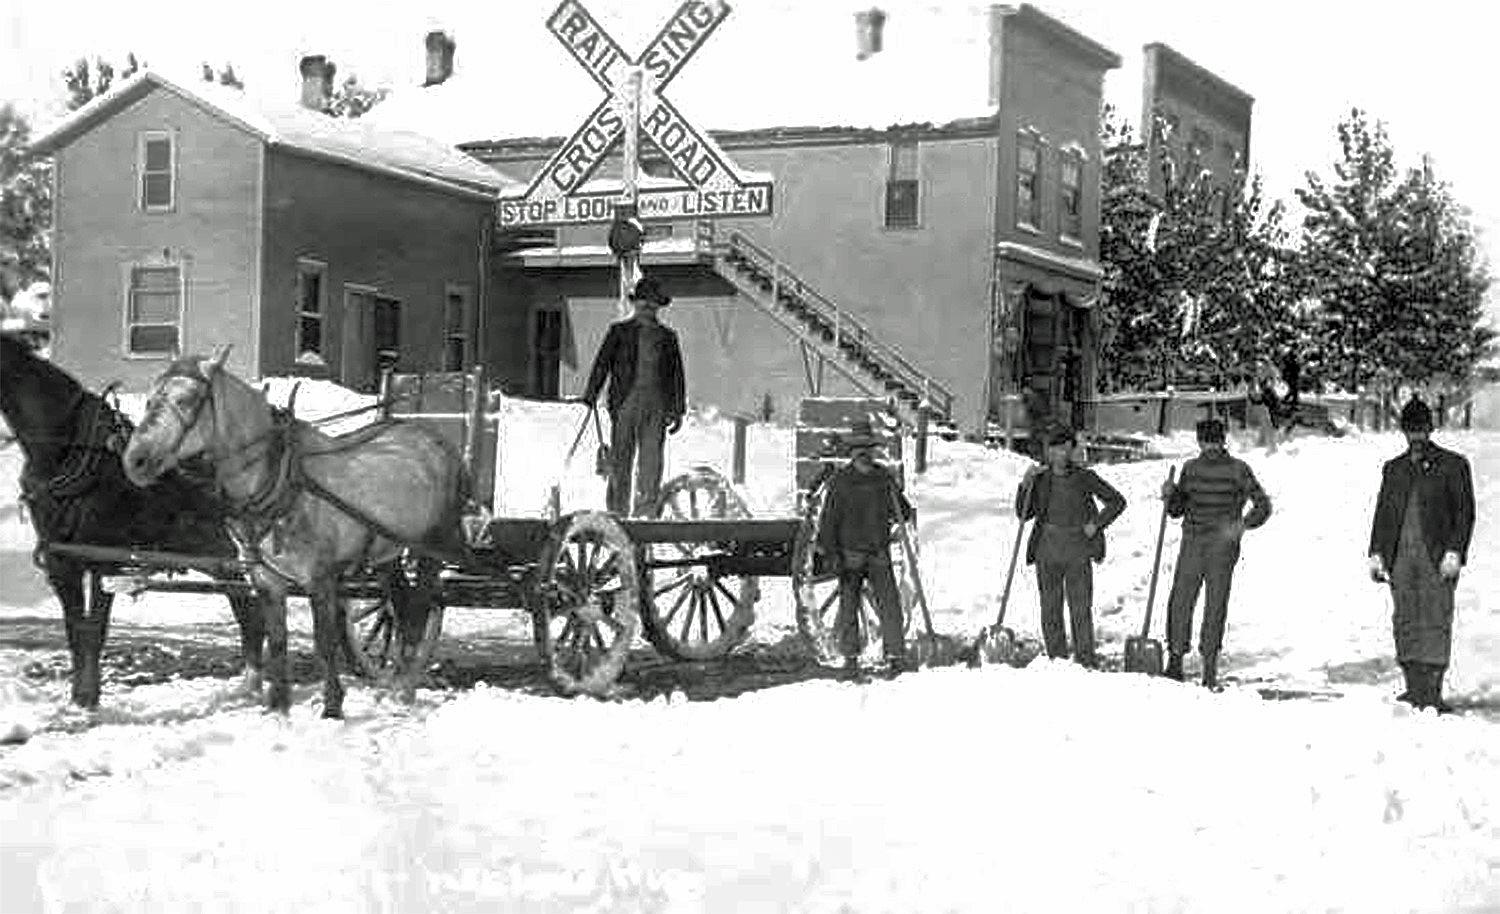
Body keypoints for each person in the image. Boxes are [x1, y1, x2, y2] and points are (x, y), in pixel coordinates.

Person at [1367, 397, 1475, 713]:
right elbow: (1383, 514)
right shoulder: (1394, 469)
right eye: (1411, 431)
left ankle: (1433, 690)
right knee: (1405, 619)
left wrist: (1455, 550)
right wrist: (1376, 552)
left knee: (1435, 618)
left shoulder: (1453, 466)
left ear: (1431, 430)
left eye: (1421, 430)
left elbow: (1464, 513)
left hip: (1436, 556)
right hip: (1401, 557)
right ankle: (1413, 687)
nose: (1416, 437)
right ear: (1403, 432)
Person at [1161, 417, 1273, 688]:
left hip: (1213, 545)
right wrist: (1171, 494)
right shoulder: (1220, 469)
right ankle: (1196, 665)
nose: (1209, 447)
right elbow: (1177, 509)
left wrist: (1242, 525)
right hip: (1206, 543)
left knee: (1187, 599)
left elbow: (1262, 506)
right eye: (1208, 443)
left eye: (1211, 442)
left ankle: (1185, 663)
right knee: (1208, 602)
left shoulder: (1227, 470)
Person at [1015, 423, 1126, 667]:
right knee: (1050, 607)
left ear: (1072, 450)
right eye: (1054, 449)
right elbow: (1023, 514)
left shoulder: (1085, 478)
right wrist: (1025, 485)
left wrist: (1096, 524)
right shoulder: (1040, 479)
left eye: (1064, 449)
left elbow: (1117, 501)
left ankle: (1085, 659)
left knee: (1080, 607)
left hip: (1078, 549)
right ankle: (1056, 658)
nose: (1058, 455)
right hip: (1047, 549)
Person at [581, 274, 686, 516]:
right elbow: (602, 364)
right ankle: (617, 514)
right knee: (620, 461)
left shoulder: (668, 337)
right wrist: (591, 394)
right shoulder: (619, 332)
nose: (647, 308)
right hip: (625, 403)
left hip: (657, 407)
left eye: (652, 303)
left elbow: (677, 376)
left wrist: (678, 409)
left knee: (651, 465)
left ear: (659, 307)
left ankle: (644, 517)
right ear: (635, 303)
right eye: (643, 302)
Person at [816, 418, 914, 676]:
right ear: (851, 453)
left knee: (890, 605)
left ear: (873, 450)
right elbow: (829, 521)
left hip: (879, 553)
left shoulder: (884, 479)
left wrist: (901, 503)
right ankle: (850, 660)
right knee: (848, 607)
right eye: (859, 449)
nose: (864, 454)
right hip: (850, 557)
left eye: (868, 448)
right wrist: (831, 553)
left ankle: (896, 657)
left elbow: (902, 512)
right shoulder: (840, 482)